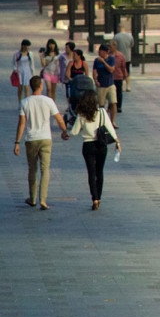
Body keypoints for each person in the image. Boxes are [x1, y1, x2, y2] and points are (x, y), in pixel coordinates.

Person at [14, 75, 69, 210]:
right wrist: (64, 131)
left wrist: (17, 142)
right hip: (45, 138)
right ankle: (43, 200)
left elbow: (21, 124)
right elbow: (59, 119)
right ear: (41, 86)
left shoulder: (24, 102)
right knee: (45, 169)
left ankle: (32, 198)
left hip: (31, 140)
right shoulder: (48, 101)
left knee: (32, 169)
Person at [68, 89, 120, 211]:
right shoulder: (102, 112)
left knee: (91, 173)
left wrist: (66, 134)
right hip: (101, 145)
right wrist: (117, 142)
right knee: (99, 172)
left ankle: (94, 198)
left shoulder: (82, 114)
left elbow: (74, 131)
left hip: (88, 146)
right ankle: (99, 198)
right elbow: (110, 129)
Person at [92, 44, 117, 127]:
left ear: (104, 52)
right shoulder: (96, 61)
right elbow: (94, 71)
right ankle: (102, 122)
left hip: (110, 84)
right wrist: (95, 80)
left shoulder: (111, 59)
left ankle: (112, 121)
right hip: (101, 85)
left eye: (100, 51)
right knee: (101, 105)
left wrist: (103, 61)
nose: (99, 53)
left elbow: (111, 70)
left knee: (113, 102)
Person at [108, 40, 127, 114]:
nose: (109, 47)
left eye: (110, 46)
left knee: (118, 92)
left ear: (115, 46)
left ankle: (119, 106)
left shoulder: (120, 55)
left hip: (118, 76)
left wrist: (125, 74)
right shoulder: (107, 55)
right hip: (109, 77)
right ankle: (110, 106)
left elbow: (123, 66)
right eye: (109, 46)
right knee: (110, 92)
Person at [113, 25, 134, 91]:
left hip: (118, 57)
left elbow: (113, 45)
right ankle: (128, 86)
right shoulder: (130, 36)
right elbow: (132, 45)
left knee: (119, 71)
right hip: (127, 57)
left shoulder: (116, 36)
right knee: (127, 71)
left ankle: (121, 86)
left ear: (118, 28)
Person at [40, 38, 60, 102]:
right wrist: (41, 57)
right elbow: (43, 65)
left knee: (53, 90)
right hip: (47, 72)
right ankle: (48, 102)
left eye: (53, 44)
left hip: (55, 73)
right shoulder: (45, 54)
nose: (52, 46)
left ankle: (53, 103)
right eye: (50, 45)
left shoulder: (58, 54)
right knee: (49, 89)